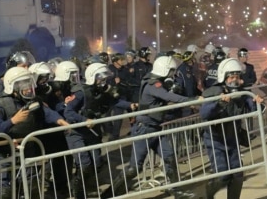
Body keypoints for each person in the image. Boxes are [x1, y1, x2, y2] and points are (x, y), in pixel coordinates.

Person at [116, 56, 195, 198]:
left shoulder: (156, 83)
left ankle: (176, 190)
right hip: (145, 129)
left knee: (169, 157)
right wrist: (191, 100)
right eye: (171, 71)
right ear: (164, 70)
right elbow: (168, 96)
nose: (172, 75)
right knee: (134, 168)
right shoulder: (153, 84)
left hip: (155, 127)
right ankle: (111, 194)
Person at [0, 66, 70, 199]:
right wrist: (13, 121)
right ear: (12, 86)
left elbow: (46, 112)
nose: (28, 88)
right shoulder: (0, 104)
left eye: (28, 84)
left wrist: (60, 121)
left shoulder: (34, 100)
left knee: (32, 189)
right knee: (5, 192)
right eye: (23, 85)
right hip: (6, 154)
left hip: (28, 151)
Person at [64, 63, 136, 198]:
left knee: (96, 163)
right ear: (92, 77)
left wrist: (130, 105)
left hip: (93, 132)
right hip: (76, 133)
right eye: (100, 79)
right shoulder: (81, 93)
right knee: (84, 164)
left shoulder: (103, 91)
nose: (103, 82)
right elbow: (68, 112)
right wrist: (83, 120)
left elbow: (115, 102)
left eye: (104, 79)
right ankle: (78, 194)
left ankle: (83, 186)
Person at [201, 58, 263, 199]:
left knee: (237, 175)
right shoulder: (215, 91)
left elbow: (252, 108)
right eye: (232, 76)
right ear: (224, 76)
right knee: (222, 175)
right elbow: (204, 114)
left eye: (237, 76)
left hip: (233, 138)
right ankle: (207, 194)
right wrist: (219, 103)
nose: (235, 80)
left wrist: (257, 103)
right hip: (215, 140)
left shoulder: (242, 93)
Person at [29, 62, 71, 199]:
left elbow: (51, 109)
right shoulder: (28, 93)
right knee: (33, 165)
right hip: (34, 132)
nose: (45, 82)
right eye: (42, 78)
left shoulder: (50, 90)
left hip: (51, 130)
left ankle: (61, 185)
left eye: (46, 78)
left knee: (61, 157)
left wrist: (64, 105)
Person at [0, 50, 35, 115]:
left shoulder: (27, 79)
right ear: (13, 67)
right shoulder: (2, 82)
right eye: (23, 66)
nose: (26, 69)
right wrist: (3, 108)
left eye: (28, 66)